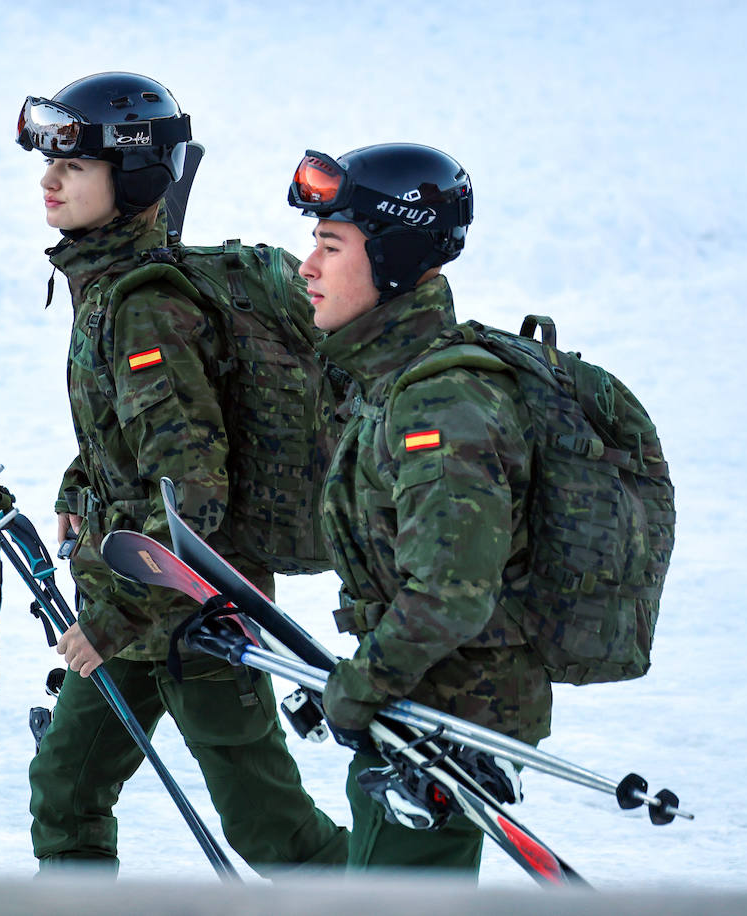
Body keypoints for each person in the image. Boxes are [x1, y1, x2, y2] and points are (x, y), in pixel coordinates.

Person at [16, 71, 348, 875]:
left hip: (196, 615)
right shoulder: (105, 286)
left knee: (271, 829)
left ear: (130, 181)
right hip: (133, 604)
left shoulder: (144, 307)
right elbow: (127, 433)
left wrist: (112, 622)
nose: (48, 181)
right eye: (51, 163)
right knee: (66, 791)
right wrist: (77, 488)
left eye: (75, 167)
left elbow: (191, 488)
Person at [289, 144, 552, 874]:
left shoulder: (440, 400)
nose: (307, 265)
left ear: (396, 258)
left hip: (446, 727)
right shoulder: (388, 381)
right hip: (413, 714)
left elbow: (450, 593)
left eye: (330, 245)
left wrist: (359, 686)